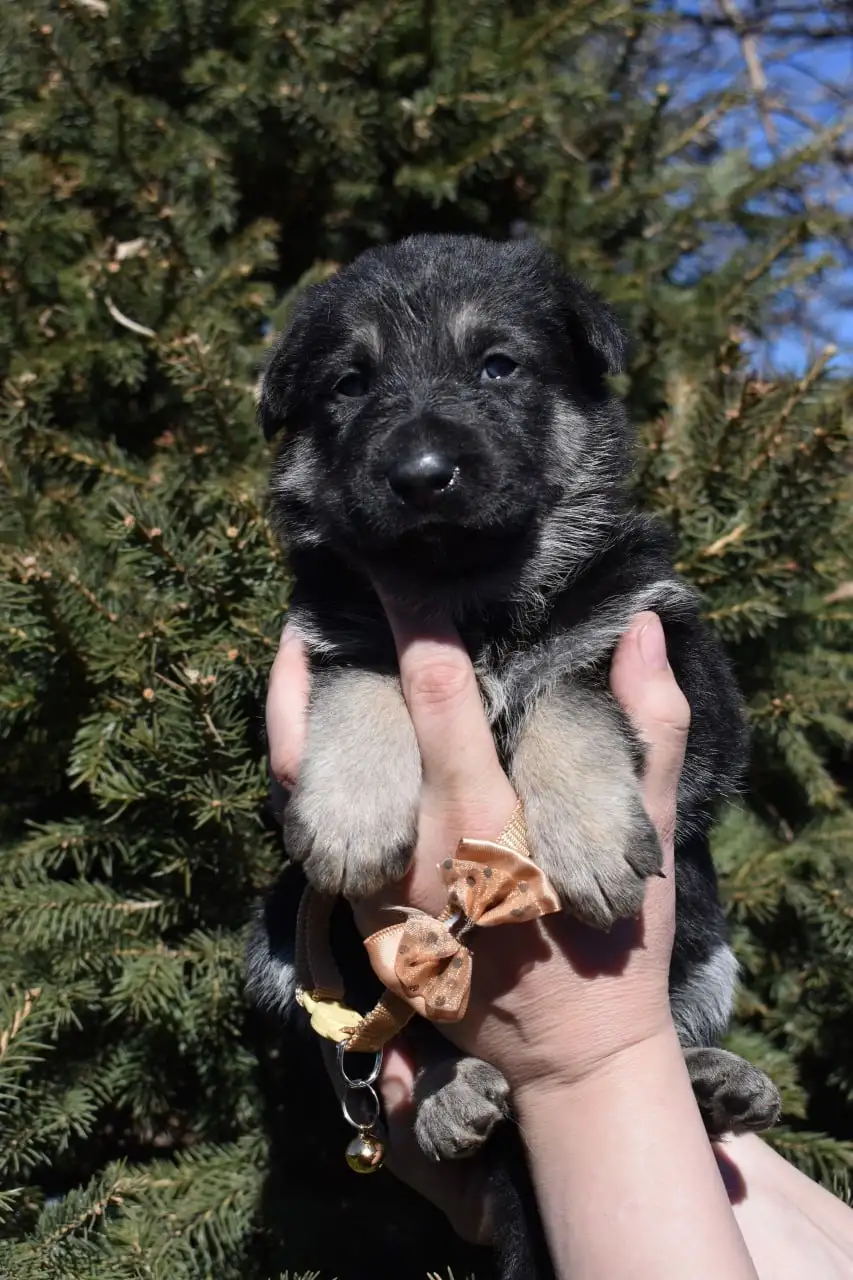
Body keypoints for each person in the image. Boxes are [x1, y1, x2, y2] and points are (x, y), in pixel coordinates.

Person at [267, 603, 853, 1279]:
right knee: (296, 939)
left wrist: (588, 1063)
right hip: (432, 1026)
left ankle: (668, 1072)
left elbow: (698, 768)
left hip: (628, 994)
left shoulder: (602, 576)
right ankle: (462, 1076)